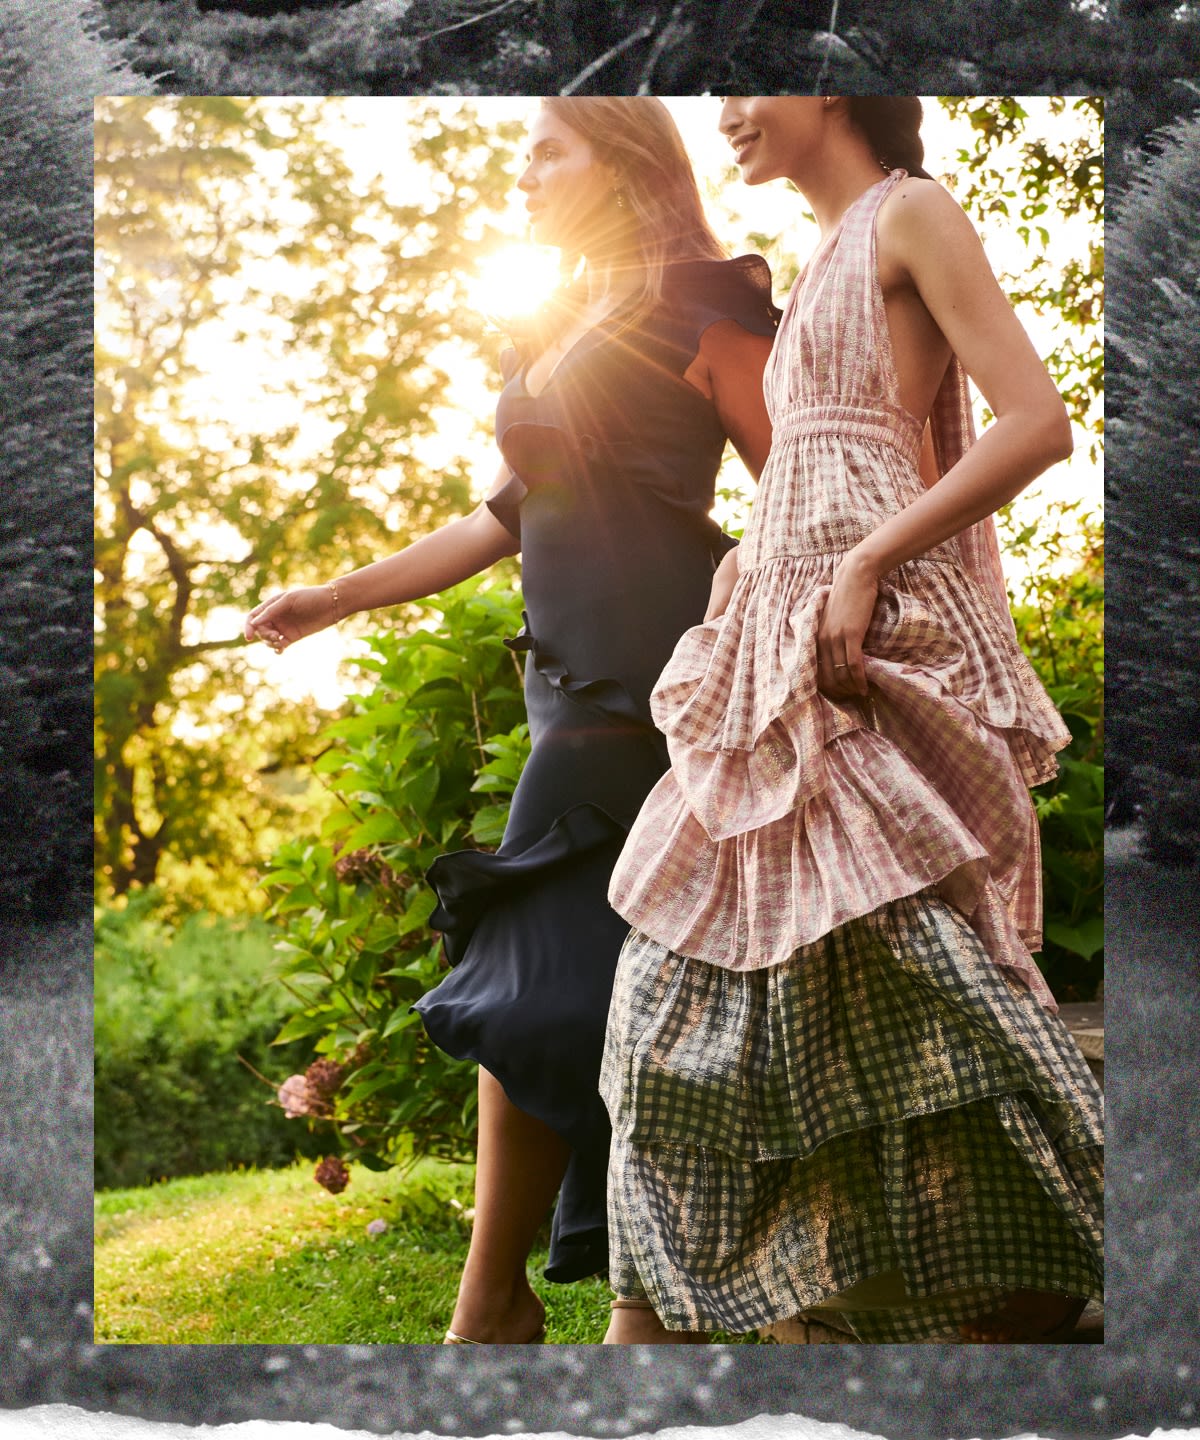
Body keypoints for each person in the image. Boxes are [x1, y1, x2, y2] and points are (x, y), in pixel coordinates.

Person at [245, 97, 777, 1344]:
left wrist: (796, 641)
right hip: (567, 693)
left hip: (668, 686)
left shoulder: (708, 292)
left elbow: (788, 475)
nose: (523, 170)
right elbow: (501, 520)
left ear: (627, 158)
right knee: (556, 988)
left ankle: (507, 1306)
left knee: (557, 987)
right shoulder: (557, 323)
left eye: (549, 146)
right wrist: (337, 594)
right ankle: (552, 1307)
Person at [600, 96, 1104, 1346]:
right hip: (771, 648)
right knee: (671, 1014)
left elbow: (1039, 422)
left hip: (861, 648)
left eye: (749, 81)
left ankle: (1031, 1309)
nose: (724, 114)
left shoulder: (910, 214)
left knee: (942, 992)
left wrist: (871, 560)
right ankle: (656, 1332)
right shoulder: (819, 255)